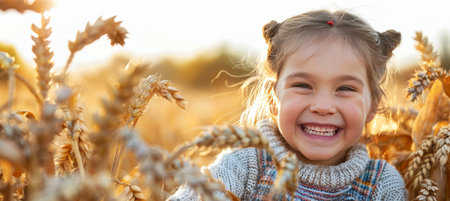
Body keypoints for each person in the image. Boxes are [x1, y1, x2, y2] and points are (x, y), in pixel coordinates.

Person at [169, 9, 407, 200]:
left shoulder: (382, 185)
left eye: (345, 89)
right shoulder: (243, 166)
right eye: (303, 85)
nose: (323, 106)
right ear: (274, 99)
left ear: (373, 105)